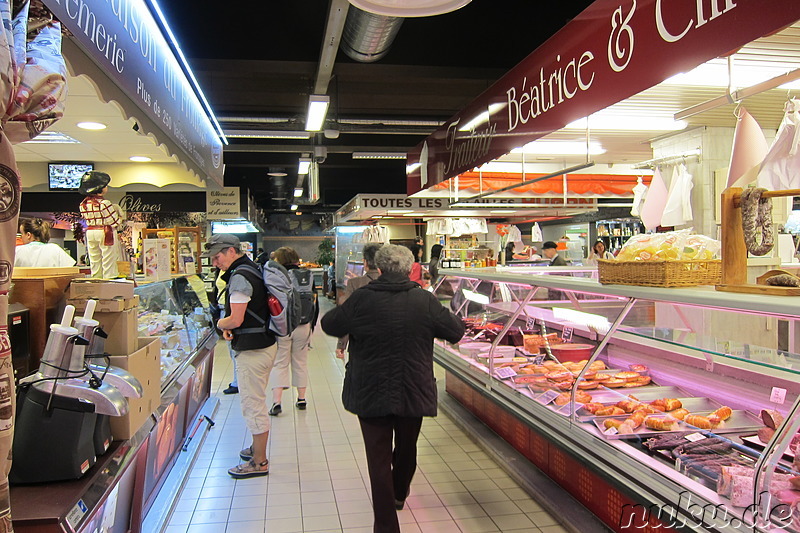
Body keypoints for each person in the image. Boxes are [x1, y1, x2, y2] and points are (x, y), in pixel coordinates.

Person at [321, 245, 465, 533]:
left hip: (368, 389)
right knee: (408, 446)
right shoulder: (424, 300)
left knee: (378, 456)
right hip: (413, 386)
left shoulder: (361, 298)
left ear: (379, 267)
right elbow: (455, 331)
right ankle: (399, 492)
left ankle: (386, 525)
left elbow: (329, 324)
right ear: (409, 268)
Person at [202, 233, 277, 478]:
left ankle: (259, 461)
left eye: (217, 256)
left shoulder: (240, 277)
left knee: (253, 404)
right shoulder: (252, 268)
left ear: (232, 252)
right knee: (255, 400)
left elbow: (236, 318)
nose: (215, 262)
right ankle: (256, 448)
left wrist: (217, 322)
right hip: (264, 343)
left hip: (253, 351)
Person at [268, 246, 319, 415]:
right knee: (301, 362)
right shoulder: (307, 275)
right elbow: (314, 301)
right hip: (304, 324)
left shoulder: (278, 277)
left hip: (283, 325)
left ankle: (277, 402)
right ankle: (301, 399)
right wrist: (312, 324)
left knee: (280, 362)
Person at [335, 243, 383, 359]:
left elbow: (347, 316)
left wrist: (341, 344)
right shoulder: (394, 284)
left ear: (365, 262)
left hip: (361, 342)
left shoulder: (354, 283)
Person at [79, 171, 123, 279]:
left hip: (90, 232)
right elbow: (114, 222)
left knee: (94, 258)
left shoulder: (83, 204)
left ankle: (96, 278)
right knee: (108, 257)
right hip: (105, 232)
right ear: (100, 188)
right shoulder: (105, 203)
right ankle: (109, 277)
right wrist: (120, 214)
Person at [211, 267, 239, 395]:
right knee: (231, 351)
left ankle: (237, 382)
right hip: (223, 309)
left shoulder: (234, 271)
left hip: (229, 312)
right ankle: (237, 379)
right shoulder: (221, 270)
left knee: (234, 350)